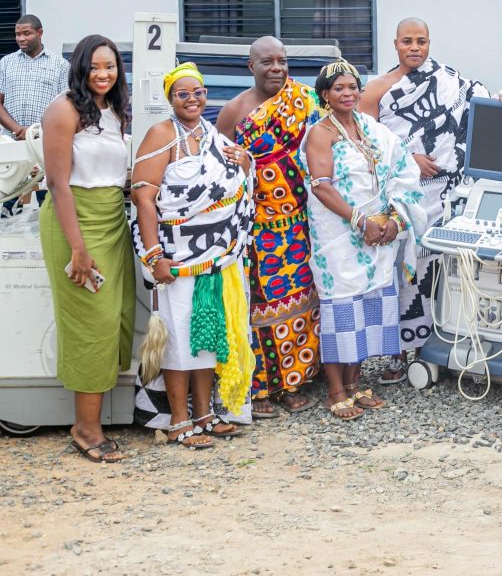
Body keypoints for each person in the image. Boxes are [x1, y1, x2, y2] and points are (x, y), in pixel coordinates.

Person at [131, 63, 255, 445]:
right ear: (171, 98)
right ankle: (178, 419)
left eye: (198, 92)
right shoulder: (161, 135)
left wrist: (245, 164)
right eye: (183, 94)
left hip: (217, 258)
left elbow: (235, 181)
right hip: (176, 259)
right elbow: (144, 196)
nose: (192, 99)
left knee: (208, 338)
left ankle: (204, 413)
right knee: (178, 338)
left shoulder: (213, 135)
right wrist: (154, 256)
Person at [358, 18, 488, 384]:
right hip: (403, 197)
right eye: (407, 42)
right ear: (395, 44)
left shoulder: (449, 80)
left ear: (429, 44)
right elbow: (365, 143)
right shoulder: (377, 89)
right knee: (402, 272)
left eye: (421, 42)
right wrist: (408, 158)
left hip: (447, 195)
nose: (415, 48)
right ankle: (399, 354)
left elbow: (479, 100)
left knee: (445, 271)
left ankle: (441, 347)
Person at [300, 60, 427, 420]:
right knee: (341, 308)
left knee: (368, 305)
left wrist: (394, 219)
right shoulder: (320, 133)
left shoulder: (371, 129)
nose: (348, 93)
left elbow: (404, 170)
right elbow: (321, 186)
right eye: (338, 88)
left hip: (378, 234)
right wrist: (360, 221)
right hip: (338, 235)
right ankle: (336, 390)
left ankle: (355, 385)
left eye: (352, 87)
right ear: (325, 95)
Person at [39, 35, 134, 462]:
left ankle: (93, 419)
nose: (103, 74)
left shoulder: (114, 111)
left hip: (112, 220)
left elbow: (117, 175)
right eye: (95, 66)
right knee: (91, 321)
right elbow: (58, 183)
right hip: (75, 220)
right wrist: (77, 249)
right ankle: (86, 429)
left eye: (110, 66)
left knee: (115, 317)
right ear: (80, 66)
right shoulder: (64, 109)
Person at [216, 36, 322, 418]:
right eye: (267, 62)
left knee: (302, 300)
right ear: (251, 66)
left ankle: (296, 382)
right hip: (257, 226)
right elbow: (219, 168)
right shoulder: (233, 111)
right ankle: (259, 387)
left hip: (302, 218)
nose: (276, 68)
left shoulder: (306, 99)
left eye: (282, 61)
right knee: (259, 305)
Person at [0, 14, 70, 216]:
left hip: (45, 141)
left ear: (40, 33)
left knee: (47, 203)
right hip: (11, 142)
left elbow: (65, 106)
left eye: (26, 33)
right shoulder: (6, 63)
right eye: (17, 34)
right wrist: (18, 129)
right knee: (8, 200)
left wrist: (35, 132)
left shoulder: (59, 65)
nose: (21, 38)